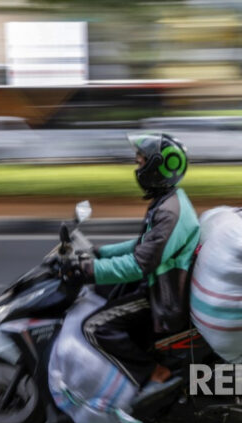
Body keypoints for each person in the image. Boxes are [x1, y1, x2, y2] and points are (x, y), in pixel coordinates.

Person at [67, 133, 200, 405]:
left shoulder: (168, 212)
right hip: (158, 283)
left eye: (141, 162)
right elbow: (143, 245)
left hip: (161, 297)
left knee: (94, 327)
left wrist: (90, 270)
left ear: (158, 167)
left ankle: (154, 374)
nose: (137, 168)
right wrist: (100, 253)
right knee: (102, 295)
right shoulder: (168, 201)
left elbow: (140, 263)